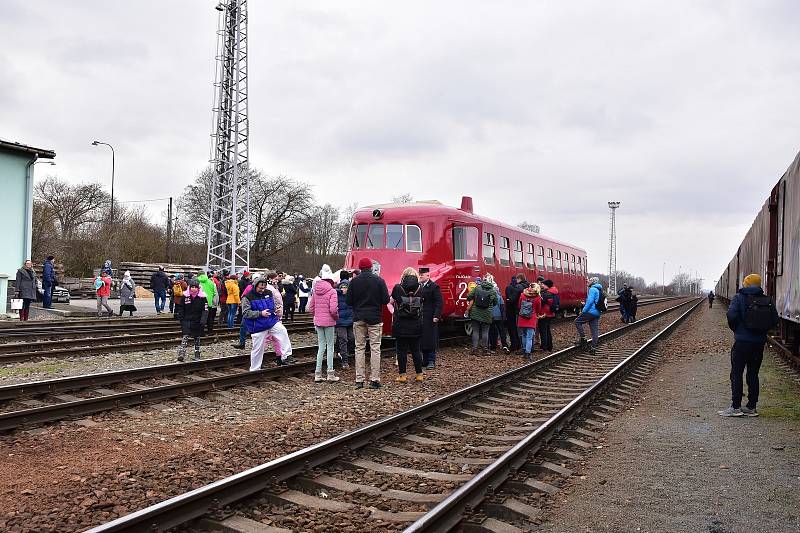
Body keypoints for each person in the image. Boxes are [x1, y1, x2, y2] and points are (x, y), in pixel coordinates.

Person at [718, 274, 778, 417]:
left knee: (736, 373)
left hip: (742, 343)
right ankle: (751, 407)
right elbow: (774, 320)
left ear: (745, 284)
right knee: (753, 374)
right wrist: (761, 330)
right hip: (758, 344)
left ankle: (736, 407)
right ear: (758, 285)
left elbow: (731, 316)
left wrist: (738, 329)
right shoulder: (767, 299)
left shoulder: (739, 298)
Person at [346, 257, 390, 389]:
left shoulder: (354, 282)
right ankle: (374, 380)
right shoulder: (379, 281)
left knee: (359, 348)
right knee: (375, 348)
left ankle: (359, 380)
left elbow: (348, 301)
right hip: (375, 319)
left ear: (360, 268)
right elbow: (386, 300)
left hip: (358, 318)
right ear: (371, 267)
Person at [242, 276, 295, 370]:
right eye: (260, 288)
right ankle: (254, 369)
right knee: (258, 349)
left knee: (282, 330)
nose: (262, 290)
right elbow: (246, 313)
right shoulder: (247, 297)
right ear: (255, 286)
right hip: (257, 326)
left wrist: (276, 311)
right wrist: (260, 313)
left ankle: (286, 356)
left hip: (271, 321)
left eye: (264, 288)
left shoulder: (269, 293)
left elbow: (272, 307)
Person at [390, 267, 425, 382]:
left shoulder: (397, 288)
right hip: (416, 324)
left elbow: (390, 301)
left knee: (401, 350)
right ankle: (419, 374)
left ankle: (402, 375)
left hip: (401, 324)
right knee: (416, 350)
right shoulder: (421, 288)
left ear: (403, 276)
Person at [308, 267, 340, 383]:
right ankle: (330, 373)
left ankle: (318, 374)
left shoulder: (315, 291)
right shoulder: (332, 291)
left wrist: (317, 315)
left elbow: (310, 308)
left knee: (321, 347)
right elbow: (333, 309)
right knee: (330, 347)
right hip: (329, 322)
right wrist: (336, 318)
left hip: (318, 322)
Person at [418, 267, 443, 369]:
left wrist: (436, 315)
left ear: (428, 275)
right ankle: (425, 360)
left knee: (431, 339)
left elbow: (439, 302)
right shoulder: (419, 287)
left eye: (422, 275)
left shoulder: (434, 286)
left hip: (430, 317)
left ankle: (431, 360)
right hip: (421, 317)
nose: (420, 277)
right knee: (423, 339)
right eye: (420, 275)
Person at [177, 279, 208, 362]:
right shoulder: (185, 296)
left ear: (198, 288)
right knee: (185, 336)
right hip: (187, 320)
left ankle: (197, 353)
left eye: (195, 287)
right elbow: (181, 307)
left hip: (198, 321)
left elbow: (205, 310)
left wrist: (203, 319)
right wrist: (181, 318)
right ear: (189, 288)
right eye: (192, 287)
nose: (193, 289)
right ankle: (181, 354)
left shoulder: (202, 298)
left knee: (197, 337)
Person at [466, 277, 498, 355]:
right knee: (485, 332)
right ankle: (485, 350)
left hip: (475, 313)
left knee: (475, 331)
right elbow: (495, 302)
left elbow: (469, 296)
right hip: (487, 314)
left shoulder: (477, 288)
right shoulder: (493, 290)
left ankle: (474, 349)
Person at [575, 277, 603, 353]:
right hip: (597, 312)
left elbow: (590, 302)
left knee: (577, 322)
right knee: (594, 331)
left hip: (591, 312)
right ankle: (593, 348)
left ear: (593, 282)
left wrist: (583, 311)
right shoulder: (599, 289)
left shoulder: (592, 289)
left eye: (589, 280)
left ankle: (583, 339)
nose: (587, 281)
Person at [517, 283, 543, 361]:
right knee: (529, 337)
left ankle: (524, 350)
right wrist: (536, 314)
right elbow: (538, 308)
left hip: (522, 317)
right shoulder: (537, 297)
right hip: (532, 318)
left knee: (524, 335)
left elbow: (519, 306)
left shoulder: (522, 295)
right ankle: (528, 353)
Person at [487, 274, 509, 354]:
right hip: (499, 316)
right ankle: (504, 345)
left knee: (492, 331)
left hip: (490, 316)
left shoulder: (488, 295)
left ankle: (493, 346)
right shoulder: (499, 296)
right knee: (501, 331)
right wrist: (504, 317)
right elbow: (502, 307)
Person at [335, 279, 354, 370]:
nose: (344, 289)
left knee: (352, 339)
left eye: (346, 287)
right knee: (343, 339)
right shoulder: (336, 295)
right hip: (340, 322)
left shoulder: (352, 296)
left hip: (350, 321)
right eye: (342, 287)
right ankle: (345, 361)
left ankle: (341, 351)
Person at [538, 279, 558, 352]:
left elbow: (541, 303)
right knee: (547, 330)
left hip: (544, 314)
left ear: (547, 285)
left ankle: (544, 347)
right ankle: (549, 346)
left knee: (543, 331)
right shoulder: (554, 292)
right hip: (550, 313)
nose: (542, 285)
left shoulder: (546, 293)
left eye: (543, 284)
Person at [505, 276, 521, 352]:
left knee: (511, 329)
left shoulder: (508, 288)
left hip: (510, 311)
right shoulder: (520, 289)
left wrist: (508, 300)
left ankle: (514, 345)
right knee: (518, 329)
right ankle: (519, 345)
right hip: (518, 311)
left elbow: (509, 299)